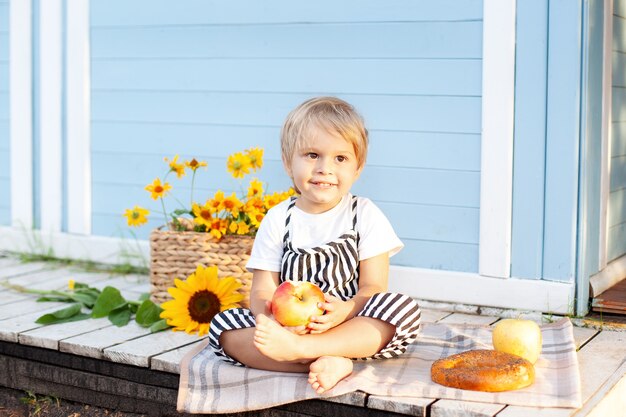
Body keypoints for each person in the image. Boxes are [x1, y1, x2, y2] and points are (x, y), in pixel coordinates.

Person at [208, 96, 421, 394]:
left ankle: (305, 351)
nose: (325, 168)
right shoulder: (279, 218)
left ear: (358, 168)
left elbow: (373, 288)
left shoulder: (364, 214)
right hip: (288, 327)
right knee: (223, 327)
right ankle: (327, 360)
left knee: (401, 309)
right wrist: (271, 322)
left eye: (341, 159)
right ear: (287, 162)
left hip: (348, 324)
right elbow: (261, 290)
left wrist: (346, 310)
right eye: (312, 155)